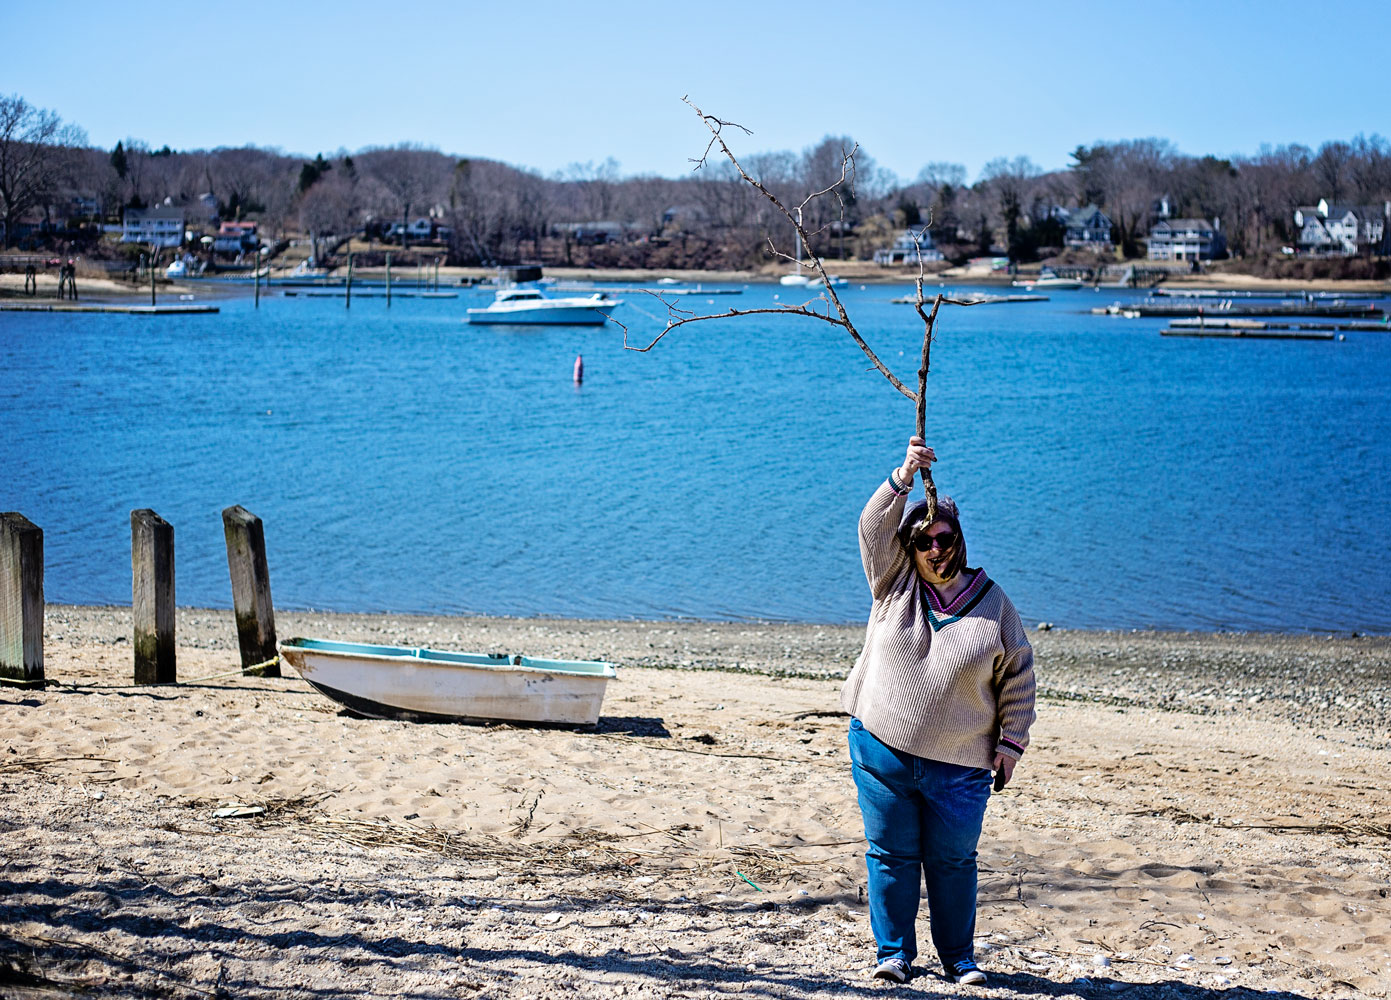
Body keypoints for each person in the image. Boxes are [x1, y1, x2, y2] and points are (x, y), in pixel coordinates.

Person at [840, 436, 1036, 986]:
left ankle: (958, 959)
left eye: (944, 537)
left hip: (961, 764)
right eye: (923, 541)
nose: (935, 550)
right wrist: (904, 475)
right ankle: (894, 954)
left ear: (960, 539)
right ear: (911, 548)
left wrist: (1011, 745)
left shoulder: (994, 603)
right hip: (882, 745)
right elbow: (871, 526)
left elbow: (1019, 676)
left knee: (952, 863)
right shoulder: (892, 582)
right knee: (891, 854)